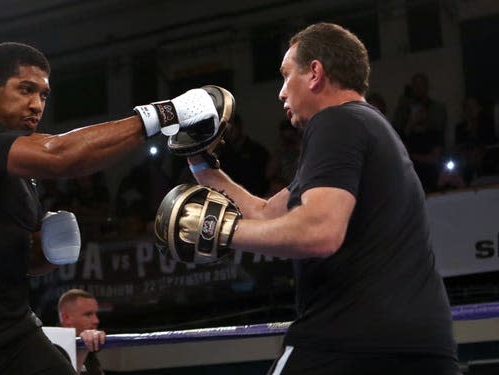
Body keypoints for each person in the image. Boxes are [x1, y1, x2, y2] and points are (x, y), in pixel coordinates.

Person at [0, 41, 225, 375]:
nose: (36, 105)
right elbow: (59, 155)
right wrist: (165, 114)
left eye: (43, 95)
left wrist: (49, 252)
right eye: (25, 90)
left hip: (12, 330)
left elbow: (24, 262)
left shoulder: (24, 178)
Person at [180, 23, 459, 374]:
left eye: (285, 76)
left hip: (349, 338)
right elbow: (265, 213)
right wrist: (200, 162)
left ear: (315, 73)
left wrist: (216, 230)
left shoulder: (335, 122)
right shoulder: (368, 128)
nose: (281, 93)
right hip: (424, 344)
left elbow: (319, 231)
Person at [58, 289, 105, 375]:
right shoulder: (51, 351)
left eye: (95, 314)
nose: (96, 320)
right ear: (66, 318)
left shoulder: (89, 349)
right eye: (88, 314)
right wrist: (81, 353)